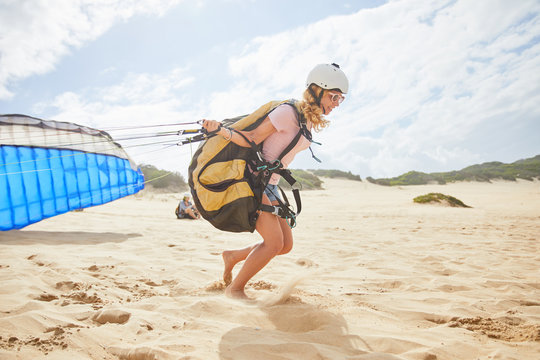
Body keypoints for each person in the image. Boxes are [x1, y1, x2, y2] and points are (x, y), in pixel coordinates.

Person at [201, 63, 348, 299]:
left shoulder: (308, 122)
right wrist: (220, 130)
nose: (336, 103)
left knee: (285, 245)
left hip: (272, 184)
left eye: (340, 99)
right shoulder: (288, 113)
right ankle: (235, 289)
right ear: (316, 90)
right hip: (255, 181)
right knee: (272, 244)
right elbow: (251, 137)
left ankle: (233, 256)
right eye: (333, 96)